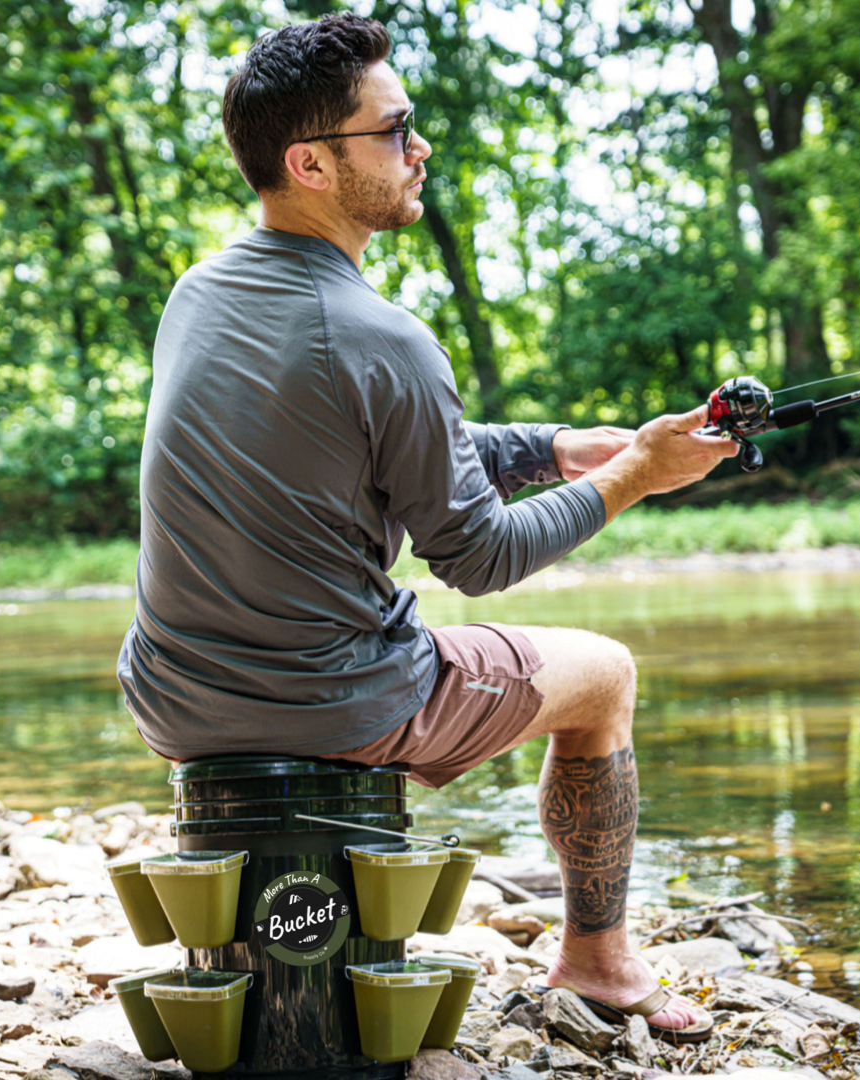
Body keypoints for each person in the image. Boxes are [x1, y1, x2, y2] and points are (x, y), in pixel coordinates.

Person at [117, 12, 737, 1043]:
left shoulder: (202, 294)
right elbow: (481, 557)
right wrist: (637, 474)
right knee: (606, 674)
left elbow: (354, 439)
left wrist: (555, 447)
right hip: (337, 705)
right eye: (394, 128)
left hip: (174, 699)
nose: (421, 146)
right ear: (311, 162)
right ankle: (601, 963)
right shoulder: (384, 336)